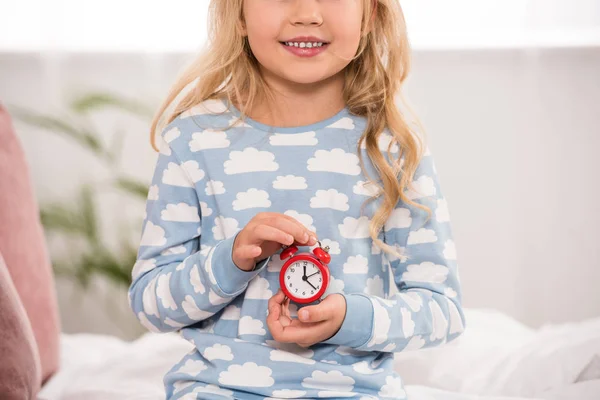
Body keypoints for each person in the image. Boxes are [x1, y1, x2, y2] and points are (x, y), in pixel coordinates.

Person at [128, 0, 466, 398]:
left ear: (369, 14)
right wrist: (230, 260)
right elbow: (150, 304)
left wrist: (348, 317)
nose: (307, 12)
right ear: (238, 14)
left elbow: (443, 311)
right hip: (218, 389)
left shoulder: (392, 149)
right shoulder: (192, 140)